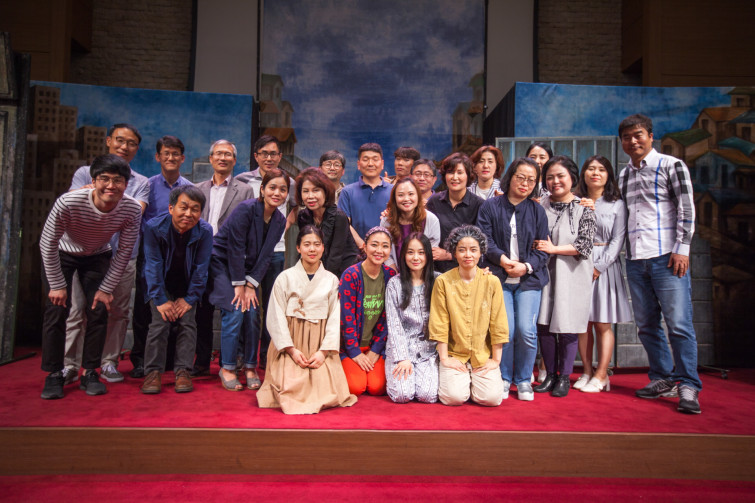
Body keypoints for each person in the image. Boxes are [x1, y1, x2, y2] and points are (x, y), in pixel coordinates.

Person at [39, 154, 142, 399]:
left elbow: (124, 251)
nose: (111, 186)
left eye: (117, 180)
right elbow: (48, 242)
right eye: (104, 179)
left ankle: (90, 371)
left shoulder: (131, 208)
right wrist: (57, 284)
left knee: (98, 309)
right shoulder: (69, 202)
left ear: (126, 184)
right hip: (63, 252)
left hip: (97, 254)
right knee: (57, 310)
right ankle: (54, 373)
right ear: (93, 181)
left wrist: (106, 288)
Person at [618, 114, 701, 414]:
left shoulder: (671, 165)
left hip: (668, 257)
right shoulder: (624, 175)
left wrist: (682, 249)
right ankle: (662, 378)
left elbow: (686, 209)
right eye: (627, 137)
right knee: (647, 325)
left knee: (679, 325)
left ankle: (688, 384)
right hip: (636, 260)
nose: (633, 141)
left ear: (651, 136)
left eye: (638, 135)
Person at [63, 123, 149, 385]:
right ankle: (70, 364)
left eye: (131, 143)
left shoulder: (141, 182)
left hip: (123, 256)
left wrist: (98, 198)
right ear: (108, 141)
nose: (125, 146)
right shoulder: (84, 173)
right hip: (84, 255)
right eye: (120, 140)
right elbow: (73, 206)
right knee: (78, 310)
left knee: (118, 312)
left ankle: (109, 362)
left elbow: (134, 214)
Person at [257, 226, 358, 414]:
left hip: (320, 343)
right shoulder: (285, 278)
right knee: (288, 387)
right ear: (298, 248)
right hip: (291, 342)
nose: (312, 249)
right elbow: (275, 316)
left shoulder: (331, 280)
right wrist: (291, 350)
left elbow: (334, 318)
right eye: (307, 244)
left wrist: (323, 352)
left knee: (326, 390)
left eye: (317, 244)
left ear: (323, 248)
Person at [208, 169, 289, 391]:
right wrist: (239, 285)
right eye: (272, 187)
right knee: (236, 309)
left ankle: (250, 367)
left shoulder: (280, 220)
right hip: (223, 263)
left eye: (283, 189)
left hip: (247, 271)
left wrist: (251, 284)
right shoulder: (246, 209)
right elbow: (235, 248)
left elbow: (266, 255)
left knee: (253, 312)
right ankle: (227, 367)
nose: (277, 193)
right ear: (262, 189)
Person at [477, 157, 549, 401]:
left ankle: (524, 379)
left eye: (531, 180)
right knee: (505, 330)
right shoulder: (490, 206)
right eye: (521, 177)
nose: (525, 183)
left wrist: (526, 266)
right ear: (510, 177)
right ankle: (505, 377)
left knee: (526, 330)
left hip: (529, 279)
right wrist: (503, 260)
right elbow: (484, 239)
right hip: (499, 277)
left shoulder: (538, 211)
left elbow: (543, 249)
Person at [533, 156, 597, 398]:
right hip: (544, 273)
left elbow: (585, 245)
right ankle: (550, 374)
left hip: (572, 274)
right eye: (549, 177)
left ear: (572, 178)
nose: (555, 181)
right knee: (544, 324)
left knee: (568, 325)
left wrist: (553, 249)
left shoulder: (585, 207)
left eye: (560, 176)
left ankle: (564, 377)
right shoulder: (539, 206)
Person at [130, 135, 193, 378]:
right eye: (166, 153)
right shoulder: (147, 185)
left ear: (182, 158)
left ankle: (169, 360)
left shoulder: (189, 188)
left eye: (175, 153)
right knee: (144, 307)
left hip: (179, 254)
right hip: (150, 253)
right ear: (158, 157)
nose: (171, 157)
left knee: (174, 307)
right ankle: (140, 359)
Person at [140, 186, 213, 394]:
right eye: (183, 207)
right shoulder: (153, 227)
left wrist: (190, 299)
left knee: (188, 322)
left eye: (195, 209)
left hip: (188, 285)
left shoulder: (205, 231)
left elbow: (201, 268)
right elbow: (152, 265)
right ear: (171, 208)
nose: (188, 214)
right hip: (160, 284)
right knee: (159, 323)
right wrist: (161, 299)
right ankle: (153, 372)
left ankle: (183, 371)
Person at [192, 140, 255, 377]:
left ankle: (230, 359)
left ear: (234, 160)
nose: (223, 158)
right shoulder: (198, 189)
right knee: (202, 310)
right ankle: (201, 361)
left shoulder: (244, 190)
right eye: (218, 154)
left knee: (232, 309)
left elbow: (247, 227)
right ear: (211, 158)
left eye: (228, 154)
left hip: (229, 259)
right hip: (201, 256)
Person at [429, 225, 509, 406]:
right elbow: (439, 322)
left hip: (482, 355)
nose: (468, 255)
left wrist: (495, 360)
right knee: (453, 398)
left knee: (491, 399)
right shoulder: (443, 281)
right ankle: (463, 380)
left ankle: (473, 380)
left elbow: (498, 323)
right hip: (454, 353)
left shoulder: (492, 282)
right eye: (462, 250)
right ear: (454, 253)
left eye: (473, 250)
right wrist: (445, 359)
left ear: (481, 252)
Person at [235, 135, 297, 368]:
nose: (269, 158)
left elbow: (296, 205)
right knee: (246, 304)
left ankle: (267, 353)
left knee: (273, 305)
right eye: (264, 153)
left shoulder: (289, 181)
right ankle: (242, 353)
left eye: (273, 154)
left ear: (280, 156)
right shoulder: (242, 180)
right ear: (256, 156)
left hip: (276, 250)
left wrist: (285, 224)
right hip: (248, 253)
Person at [573, 156, 633, 393]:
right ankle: (586, 371)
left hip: (604, 266)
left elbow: (618, 240)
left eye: (601, 169)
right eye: (590, 168)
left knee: (602, 323)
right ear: (584, 174)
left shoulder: (617, 204)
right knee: (582, 323)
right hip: (579, 264)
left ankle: (601, 374)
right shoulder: (576, 201)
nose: (595, 173)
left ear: (608, 175)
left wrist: (598, 267)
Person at [339, 226, 397, 396]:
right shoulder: (351, 275)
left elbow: (389, 318)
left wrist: (376, 350)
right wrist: (355, 352)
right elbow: (346, 318)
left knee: (377, 387)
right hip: (352, 346)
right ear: (364, 246)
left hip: (375, 345)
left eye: (385, 246)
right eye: (374, 245)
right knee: (356, 387)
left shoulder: (390, 276)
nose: (379, 250)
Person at [384, 233, 439, 403]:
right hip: (402, 349)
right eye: (410, 252)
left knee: (427, 395)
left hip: (428, 350)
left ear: (428, 255)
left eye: (421, 252)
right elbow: (394, 323)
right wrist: (402, 358)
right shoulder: (394, 284)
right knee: (402, 394)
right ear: (403, 255)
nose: (416, 257)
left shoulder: (439, 280)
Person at [295, 168, 359, 278]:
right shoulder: (303, 216)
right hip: (318, 270)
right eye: (305, 191)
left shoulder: (339, 217)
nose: (310, 196)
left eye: (316, 190)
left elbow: (335, 256)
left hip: (344, 272)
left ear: (325, 191)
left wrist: (321, 281)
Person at [426, 153, 484, 273]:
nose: (455, 177)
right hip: (436, 270)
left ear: (468, 175)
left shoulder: (479, 205)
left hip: (467, 270)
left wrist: (449, 255)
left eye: (460, 172)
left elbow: (481, 245)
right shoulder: (434, 201)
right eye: (450, 172)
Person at [337, 143, 393, 248]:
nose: (370, 164)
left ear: (382, 164)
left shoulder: (394, 191)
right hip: (356, 252)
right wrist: (363, 246)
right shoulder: (347, 192)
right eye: (366, 159)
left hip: (388, 252)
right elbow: (344, 224)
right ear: (358, 164)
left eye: (375, 159)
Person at [379, 177, 440, 269]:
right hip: (394, 273)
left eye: (411, 194)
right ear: (394, 198)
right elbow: (385, 251)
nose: (406, 199)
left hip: (422, 272)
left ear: (418, 196)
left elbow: (431, 252)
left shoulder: (431, 219)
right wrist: (394, 273)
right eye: (401, 195)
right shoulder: (386, 221)